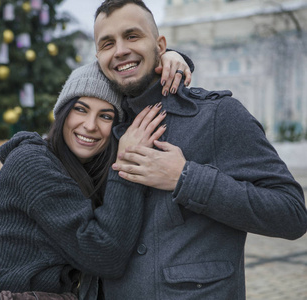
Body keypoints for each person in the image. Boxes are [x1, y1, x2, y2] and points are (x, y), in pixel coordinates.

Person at [92, 1, 307, 299]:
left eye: (132, 36)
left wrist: (186, 178)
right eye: (107, 43)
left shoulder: (218, 115)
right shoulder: (99, 131)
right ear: (98, 57)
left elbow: (292, 214)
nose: (119, 50)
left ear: (160, 44)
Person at [0, 61, 175, 300]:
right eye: (80, 109)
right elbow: (105, 255)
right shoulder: (32, 163)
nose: (90, 126)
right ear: (63, 112)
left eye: (105, 116)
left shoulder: (85, 169)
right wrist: (128, 162)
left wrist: (171, 59)